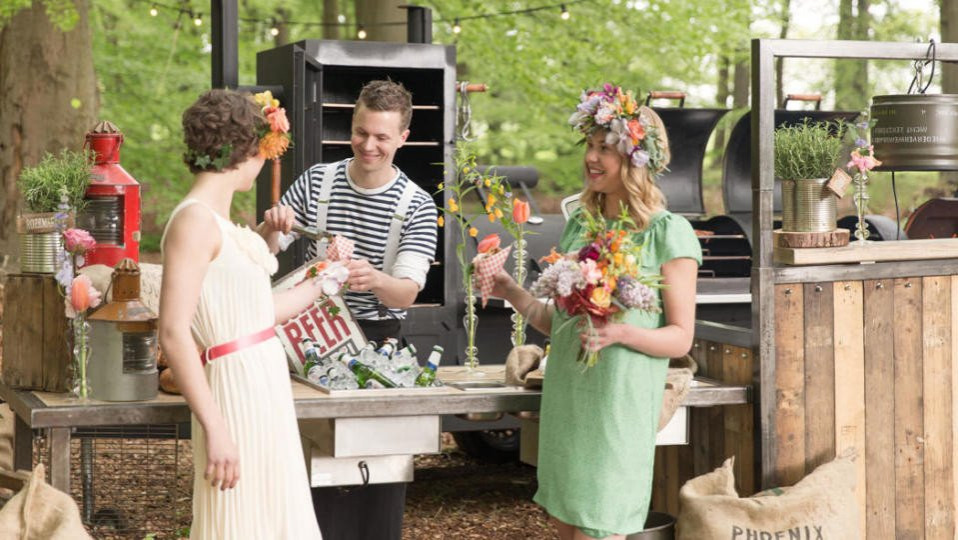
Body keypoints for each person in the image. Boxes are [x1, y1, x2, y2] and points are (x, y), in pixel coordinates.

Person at [492, 84, 702, 540]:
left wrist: (620, 335)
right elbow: (559, 324)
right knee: (566, 528)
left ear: (635, 158)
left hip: (616, 411)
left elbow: (680, 338)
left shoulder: (669, 233)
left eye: (605, 148)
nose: (592, 157)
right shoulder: (580, 226)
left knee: (600, 527)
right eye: (589, 145)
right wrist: (510, 290)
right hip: (570, 403)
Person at [258, 80, 438, 540]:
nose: (369, 145)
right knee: (312, 473)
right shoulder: (318, 181)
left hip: (380, 348)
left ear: (404, 137)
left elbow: (406, 293)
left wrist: (372, 277)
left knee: (377, 477)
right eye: (361, 132)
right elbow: (266, 253)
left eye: (381, 137)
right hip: (309, 340)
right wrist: (270, 227)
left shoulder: (415, 205)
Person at [159, 89, 324, 539]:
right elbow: (173, 332)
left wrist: (322, 278)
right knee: (241, 520)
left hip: (264, 384)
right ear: (244, 151)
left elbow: (253, 312)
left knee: (275, 515)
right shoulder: (193, 221)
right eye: (263, 151)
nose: (266, 161)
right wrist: (217, 428)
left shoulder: (221, 221)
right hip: (232, 390)